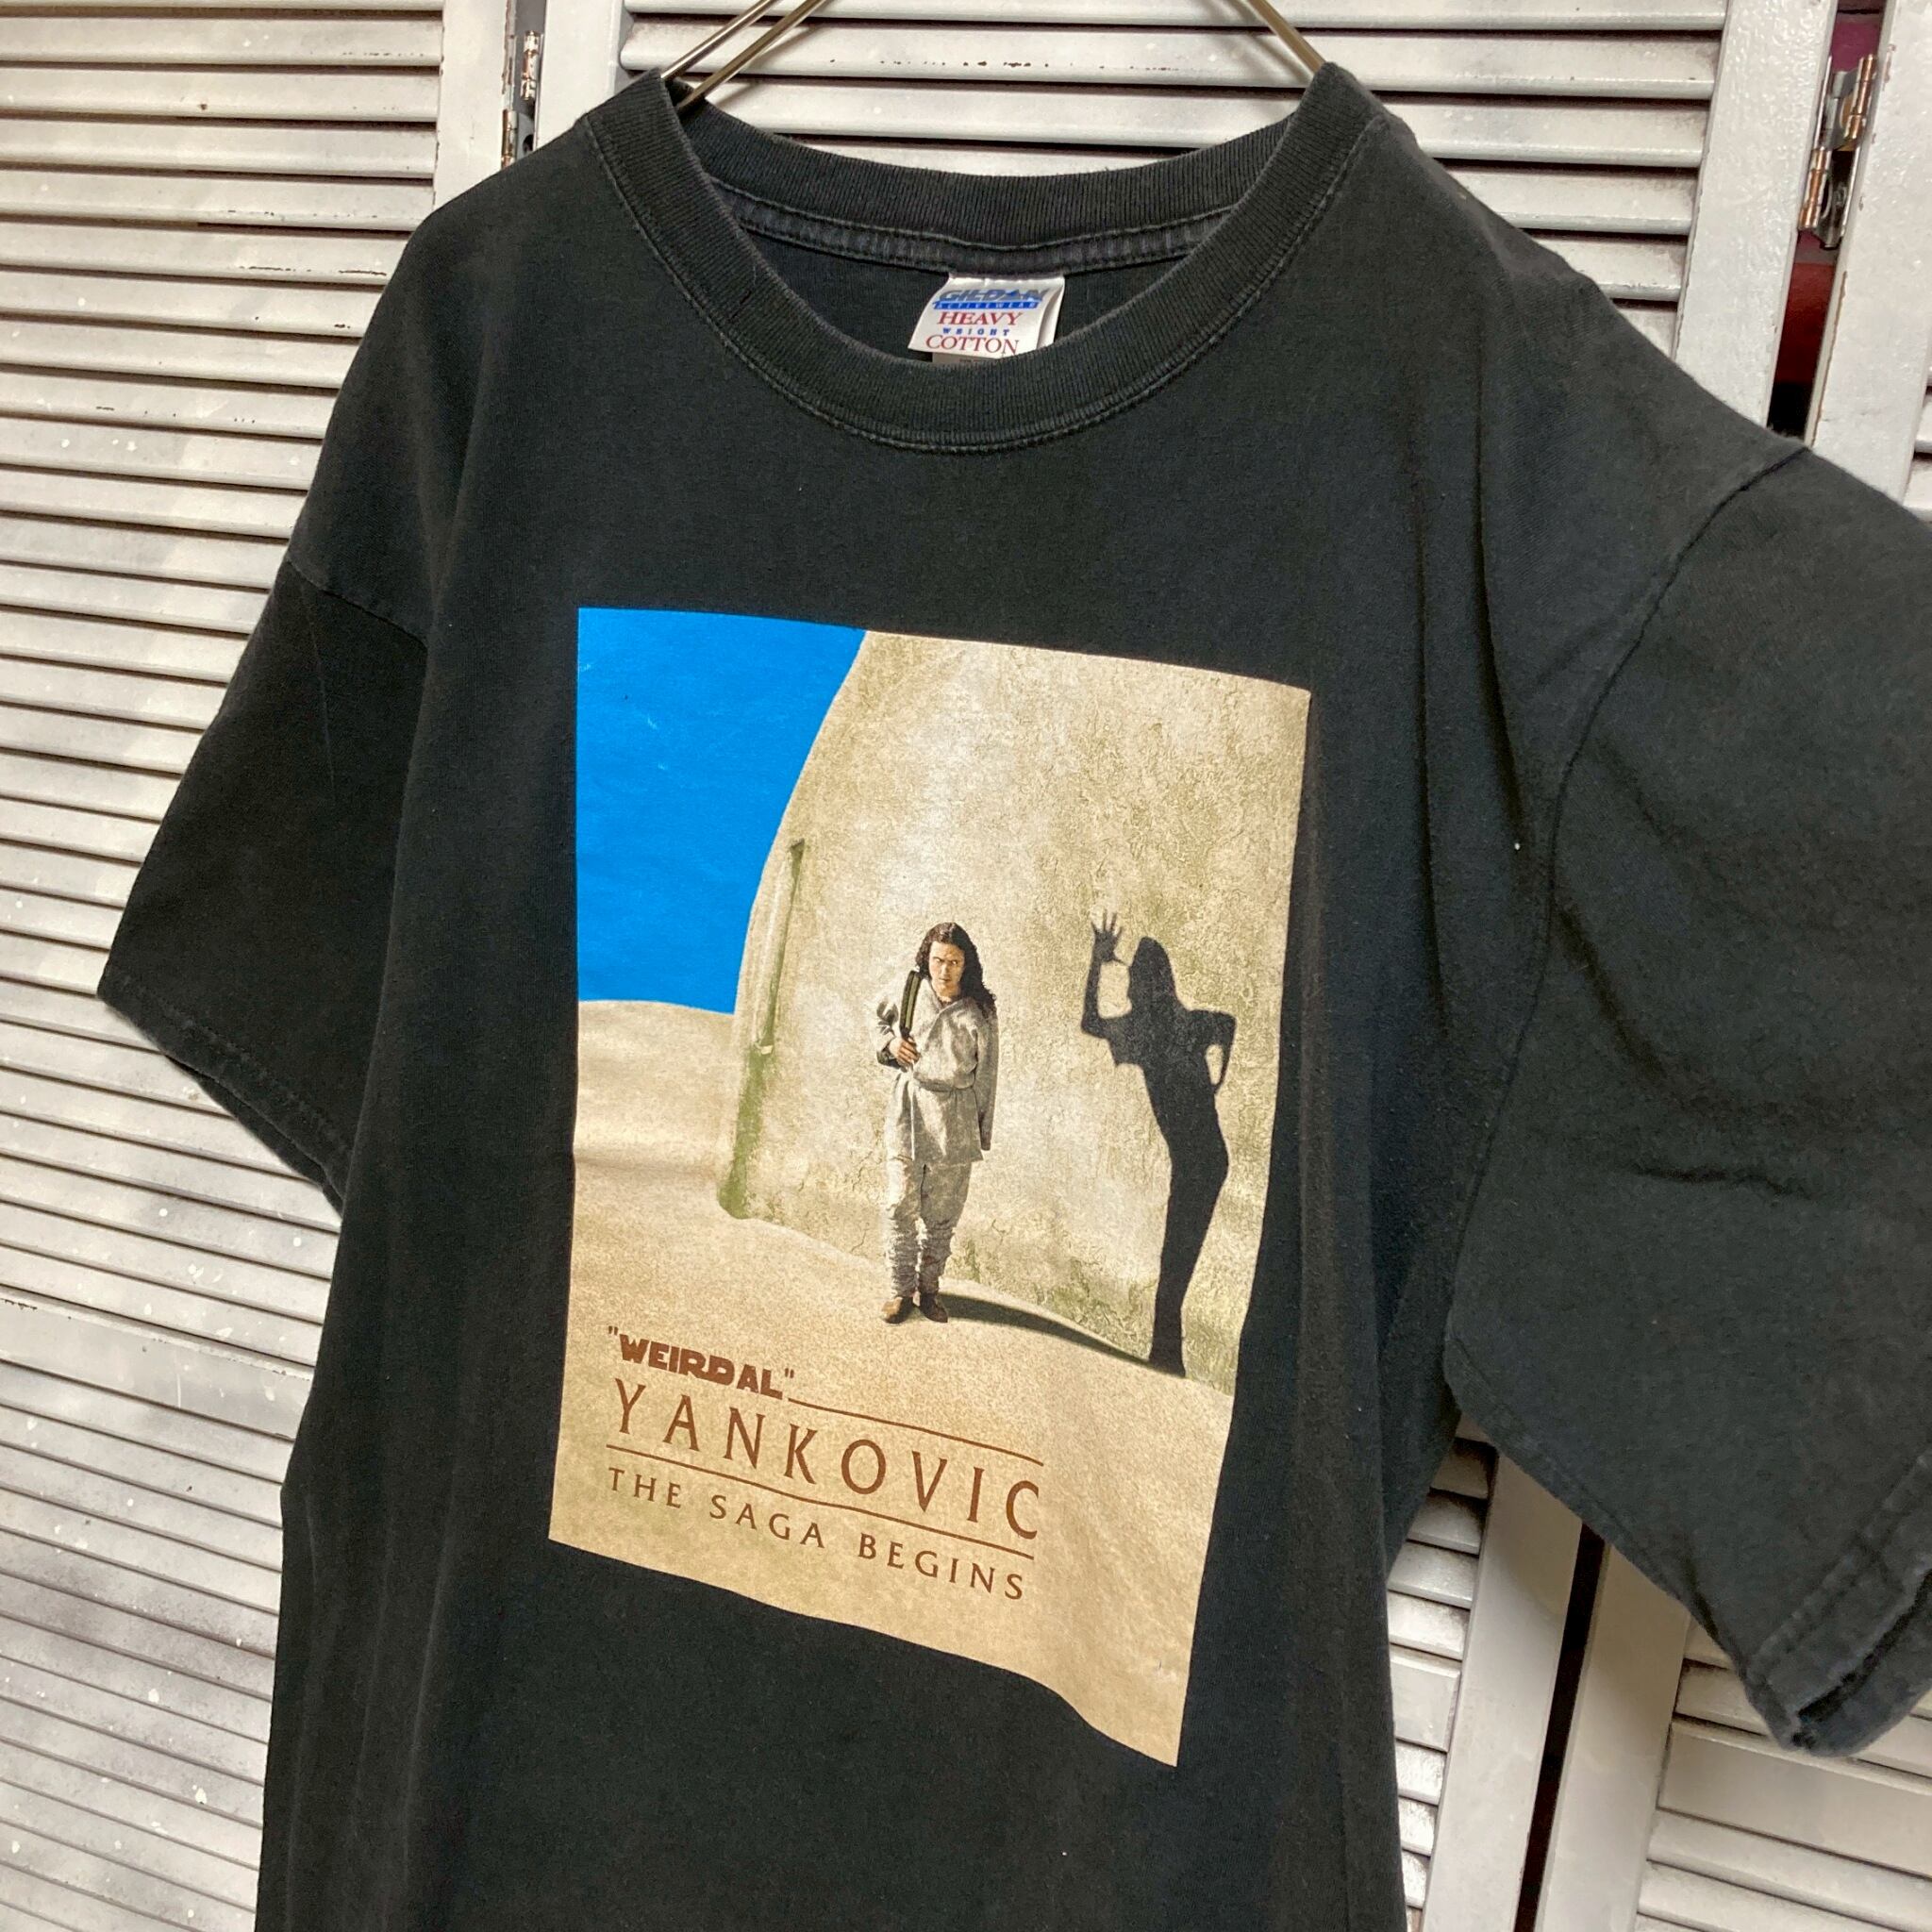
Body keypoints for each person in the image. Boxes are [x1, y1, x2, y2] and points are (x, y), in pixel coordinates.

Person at [872, 923, 998, 1324]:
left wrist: (981, 1131)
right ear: (927, 958)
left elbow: (988, 1074)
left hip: (955, 1118)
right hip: (909, 1107)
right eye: (938, 960)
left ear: (966, 964)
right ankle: (899, 1291)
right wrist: (891, 1043)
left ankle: (928, 1289)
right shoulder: (909, 990)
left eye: (954, 962)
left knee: (942, 1214)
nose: (945, 970)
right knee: (899, 1204)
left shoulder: (979, 1011)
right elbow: (875, 1020)